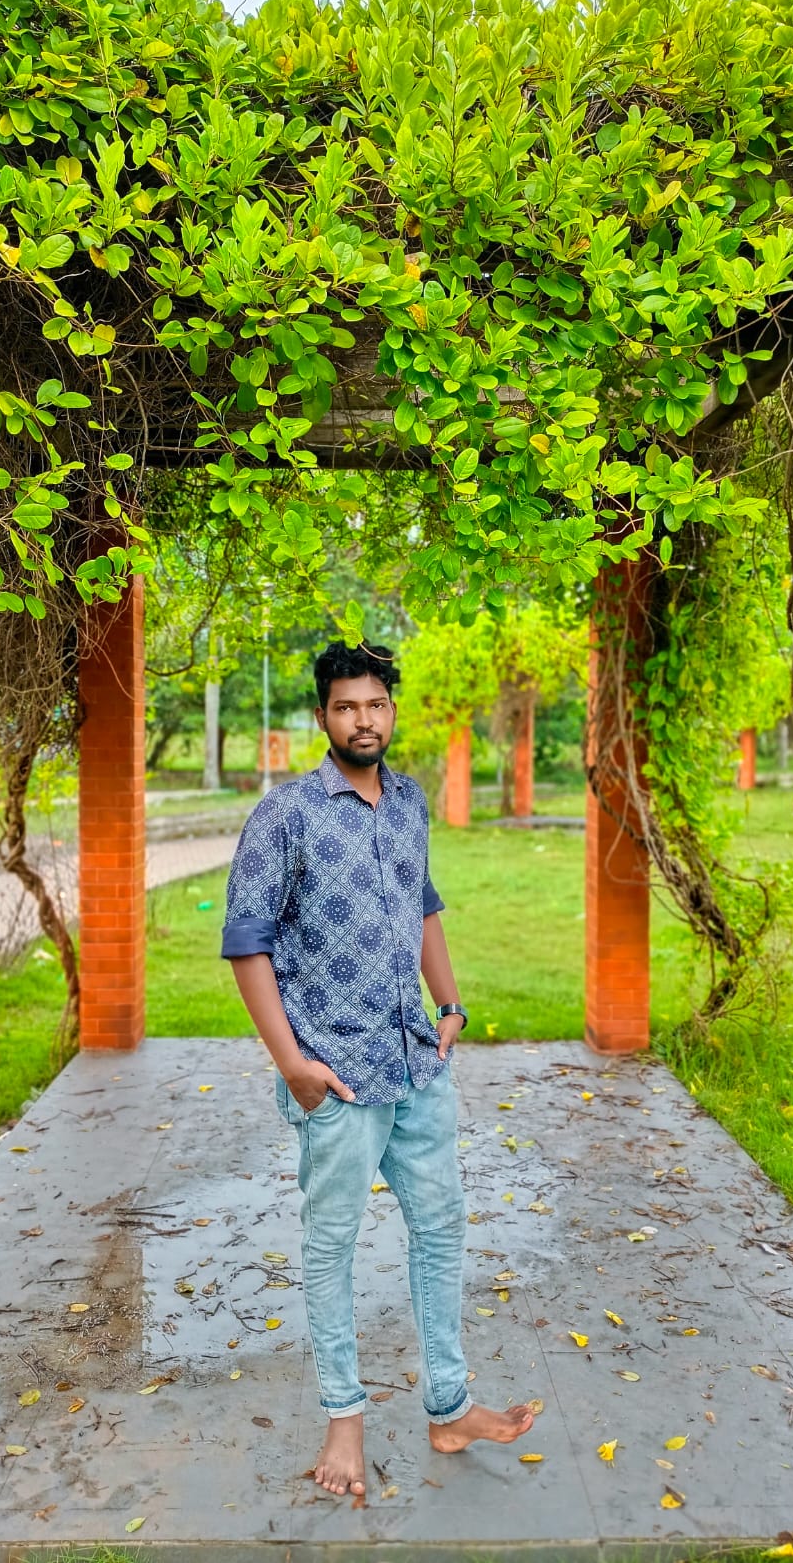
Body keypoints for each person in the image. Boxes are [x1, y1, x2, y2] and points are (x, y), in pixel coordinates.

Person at [221, 640, 534, 1498]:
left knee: (441, 1228)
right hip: (339, 1075)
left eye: (376, 704)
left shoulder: (406, 801)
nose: (364, 718)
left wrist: (452, 1003)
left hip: (415, 1063)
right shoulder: (283, 815)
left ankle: (446, 1406)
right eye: (346, 705)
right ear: (323, 715)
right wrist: (293, 1066)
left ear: (392, 711)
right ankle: (344, 1423)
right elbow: (245, 943)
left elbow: (422, 902)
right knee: (333, 1247)